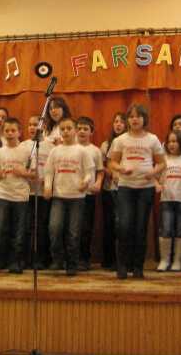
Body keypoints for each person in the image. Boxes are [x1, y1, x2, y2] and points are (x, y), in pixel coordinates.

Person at [109, 104, 166, 279]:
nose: (135, 119)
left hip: (145, 188)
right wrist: (121, 169)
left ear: (144, 119)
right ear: (128, 120)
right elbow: (112, 162)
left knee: (140, 228)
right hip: (126, 187)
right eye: (131, 116)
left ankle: (138, 266)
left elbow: (162, 163)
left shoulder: (152, 139)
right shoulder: (121, 140)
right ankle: (122, 265)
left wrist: (153, 172)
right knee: (124, 226)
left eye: (138, 116)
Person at [44, 117, 95, 275]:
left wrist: (85, 182)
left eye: (69, 128)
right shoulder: (55, 151)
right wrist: (47, 187)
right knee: (54, 228)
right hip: (58, 197)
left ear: (75, 130)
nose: (65, 131)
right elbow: (48, 172)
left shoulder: (82, 151)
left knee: (74, 232)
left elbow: (90, 171)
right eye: (63, 129)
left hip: (77, 198)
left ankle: (72, 263)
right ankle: (58, 259)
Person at [0, 118, 34, 273]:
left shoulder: (26, 151)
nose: (9, 133)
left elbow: (34, 174)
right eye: (7, 131)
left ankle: (16, 261)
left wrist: (23, 173)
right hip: (3, 194)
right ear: (3, 133)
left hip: (21, 196)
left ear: (19, 132)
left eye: (13, 131)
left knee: (19, 230)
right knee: (0, 229)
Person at [156, 131, 181, 271]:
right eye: (169, 141)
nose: (172, 144)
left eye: (175, 141)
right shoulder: (164, 159)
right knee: (166, 229)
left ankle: (177, 260)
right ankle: (165, 260)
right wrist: (157, 185)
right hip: (167, 199)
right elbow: (154, 175)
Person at [22, 114, 53, 269]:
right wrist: (28, 174)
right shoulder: (23, 146)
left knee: (42, 226)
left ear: (44, 127)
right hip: (26, 193)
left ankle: (42, 259)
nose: (32, 127)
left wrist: (46, 181)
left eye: (36, 124)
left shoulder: (51, 147)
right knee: (27, 226)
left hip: (43, 193)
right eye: (30, 125)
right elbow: (20, 167)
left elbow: (53, 169)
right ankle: (27, 258)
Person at [76, 116, 104, 271]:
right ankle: (71, 258)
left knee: (86, 227)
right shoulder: (70, 148)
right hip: (70, 194)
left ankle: (84, 259)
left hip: (88, 194)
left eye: (85, 129)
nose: (82, 131)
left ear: (91, 132)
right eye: (79, 128)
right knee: (72, 228)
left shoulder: (95, 150)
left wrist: (98, 183)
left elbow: (100, 171)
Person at [100, 112, 126, 270]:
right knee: (109, 225)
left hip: (126, 189)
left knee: (123, 225)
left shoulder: (129, 143)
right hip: (108, 189)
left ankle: (123, 260)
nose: (118, 124)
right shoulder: (105, 144)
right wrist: (109, 171)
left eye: (122, 122)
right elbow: (100, 166)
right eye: (116, 121)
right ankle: (109, 260)